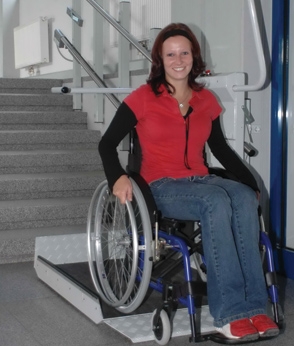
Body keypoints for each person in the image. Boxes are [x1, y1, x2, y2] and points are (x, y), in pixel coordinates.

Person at [98, 22, 279, 342]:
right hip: (160, 186)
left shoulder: (205, 100)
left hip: (200, 179)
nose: (178, 59)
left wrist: (251, 184)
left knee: (240, 196)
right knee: (217, 201)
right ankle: (229, 314)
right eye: (170, 54)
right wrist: (118, 178)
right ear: (160, 59)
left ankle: (255, 307)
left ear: (194, 57)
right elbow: (106, 144)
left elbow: (221, 150)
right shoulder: (142, 98)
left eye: (184, 52)